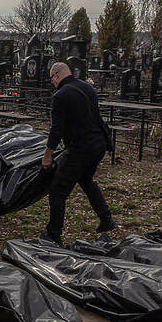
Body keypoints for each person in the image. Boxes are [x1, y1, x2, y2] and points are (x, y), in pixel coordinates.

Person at [42, 61, 115, 243]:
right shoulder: (86, 87)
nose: (53, 83)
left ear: (57, 75)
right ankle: (106, 218)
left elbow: (56, 129)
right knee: (86, 180)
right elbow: (85, 118)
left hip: (82, 148)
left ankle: (54, 234)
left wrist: (48, 155)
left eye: (52, 79)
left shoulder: (61, 95)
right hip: (99, 143)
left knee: (58, 191)